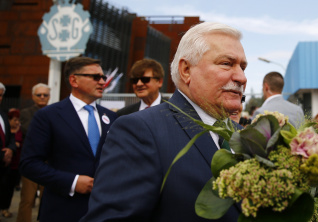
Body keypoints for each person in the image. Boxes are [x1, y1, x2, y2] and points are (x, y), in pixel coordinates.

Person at [80, 22, 247, 221]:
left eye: (243, 67)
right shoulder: (139, 131)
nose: (241, 77)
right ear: (186, 70)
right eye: (227, 63)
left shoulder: (244, 136)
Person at [19, 57, 117, 222]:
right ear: (74, 80)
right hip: (62, 209)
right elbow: (29, 164)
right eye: (95, 77)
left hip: (103, 210)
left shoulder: (111, 117)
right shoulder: (48, 116)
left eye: (103, 77)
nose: (102, 82)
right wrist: (72, 182)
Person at [17, 83, 50, 222]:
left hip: (49, 162)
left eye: (45, 95)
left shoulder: (54, 111)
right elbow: (28, 131)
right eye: (39, 95)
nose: (42, 97)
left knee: (47, 199)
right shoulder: (25, 113)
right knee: (27, 199)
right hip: (32, 161)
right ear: (33, 96)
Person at [0, 109, 22, 218]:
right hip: (4, 160)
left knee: (8, 189)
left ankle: (5, 208)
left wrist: (11, 149)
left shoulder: (3, 117)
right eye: (14, 120)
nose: (16, 122)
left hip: (12, 164)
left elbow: (12, 141)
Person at [0, 83, 16, 220]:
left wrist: (10, 149)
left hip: (4, 165)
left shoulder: (3, 114)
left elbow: (10, 136)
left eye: (0, 95)